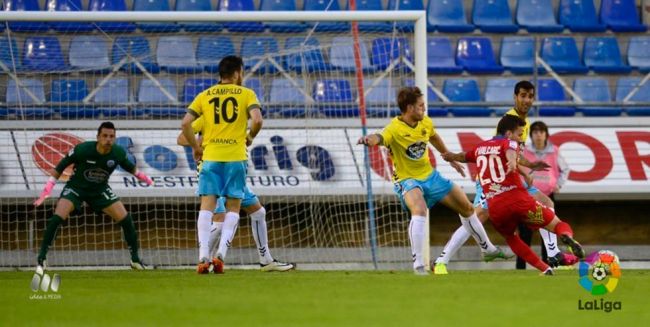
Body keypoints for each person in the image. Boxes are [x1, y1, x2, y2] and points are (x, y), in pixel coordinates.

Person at [358, 86, 508, 275]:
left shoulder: (425, 123)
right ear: (410, 108)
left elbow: (433, 136)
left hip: (430, 175)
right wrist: (369, 139)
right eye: (421, 106)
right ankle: (419, 265)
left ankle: (487, 249)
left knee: (468, 208)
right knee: (419, 210)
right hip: (407, 180)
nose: (424, 109)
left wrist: (449, 156)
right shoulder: (394, 129)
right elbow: (379, 137)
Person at [433, 81, 575, 274]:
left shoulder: (523, 123)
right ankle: (442, 260)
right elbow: (505, 149)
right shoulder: (511, 120)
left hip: (511, 178)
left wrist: (527, 167)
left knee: (547, 203)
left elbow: (513, 152)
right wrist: (522, 169)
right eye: (523, 95)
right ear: (515, 97)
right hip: (495, 180)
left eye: (530, 96)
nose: (526, 100)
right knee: (476, 216)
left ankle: (553, 253)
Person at [181, 55, 263, 274]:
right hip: (235, 158)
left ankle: (202, 257)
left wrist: (196, 147)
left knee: (206, 207)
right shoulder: (246, 94)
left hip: (210, 158)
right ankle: (221, 256)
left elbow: (185, 123)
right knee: (233, 208)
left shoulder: (204, 95)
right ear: (237, 72)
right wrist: (251, 137)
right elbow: (257, 120)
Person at [33, 122, 153, 271]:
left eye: (111, 136)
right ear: (98, 137)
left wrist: (145, 178)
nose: (108, 139)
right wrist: (48, 188)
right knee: (58, 217)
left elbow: (131, 168)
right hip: (76, 188)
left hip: (99, 190)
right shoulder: (83, 149)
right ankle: (41, 259)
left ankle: (135, 260)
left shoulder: (118, 153)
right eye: (105, 136)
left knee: (126, 219)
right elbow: (60, 166)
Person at [177, 119, 294, 272]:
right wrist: (203, 142)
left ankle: (265, 260)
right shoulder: (209, 114)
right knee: (219, 221)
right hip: (214, 170)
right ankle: (205, 259)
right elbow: (182, 138)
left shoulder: (235, 115)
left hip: (232, 169)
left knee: (258, 212)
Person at [523, 121, 572, 266]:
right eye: (535, 132)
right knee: (525, 234)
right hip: (528, 196)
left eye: (541, 132)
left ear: (546, 135)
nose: (538, 135)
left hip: (546, 196)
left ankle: (548, 264)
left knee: (548, 230)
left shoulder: (554, 151)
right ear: (531, 135)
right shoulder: (525, 151)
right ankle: (521, 266)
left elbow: (565, 169)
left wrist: (558, 184)